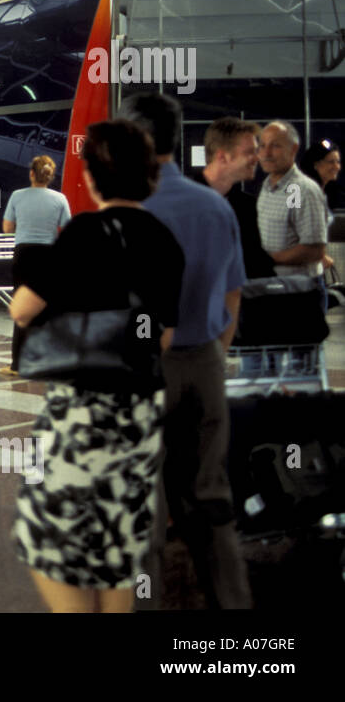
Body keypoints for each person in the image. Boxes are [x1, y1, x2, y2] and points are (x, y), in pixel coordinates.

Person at [9, 119, 184, 613]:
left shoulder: (85, 232)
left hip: (81, 411)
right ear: (149, 176)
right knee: (119, 541)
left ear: (91, 177)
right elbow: (164, 336)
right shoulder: (164, 239)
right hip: (141, 408)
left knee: (48, 539)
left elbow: (23, 309)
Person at [121, 93, 251, 611]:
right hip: (204, 365)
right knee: (212, 501)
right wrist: (215, 354)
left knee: (143, 507)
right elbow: (233, 293)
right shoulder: (215, 207)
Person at [0, 155, 70, 376]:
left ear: (31, 173)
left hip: (24, 255)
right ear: (50, 176)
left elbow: (7, 228)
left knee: (22, 308)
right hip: (48, 255)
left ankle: (17, 365)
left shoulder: (17, 196)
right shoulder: (60, 199)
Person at [191, 117, 275, 280]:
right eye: (249, 152)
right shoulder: (182, 203)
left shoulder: (249, 207)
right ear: (222, 157)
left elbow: (258, 266)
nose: (257, 159)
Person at [256, 121, 327, 308]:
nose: (266, 153)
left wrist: (268, 259)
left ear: (294, 149)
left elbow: (314, 250)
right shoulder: (269, 187)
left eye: (275, 146)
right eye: (262, 146)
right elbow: (289, 223)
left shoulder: (301, 189)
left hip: (299, 295)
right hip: (274, 290)